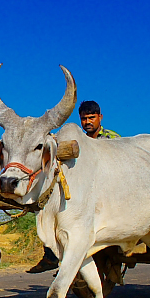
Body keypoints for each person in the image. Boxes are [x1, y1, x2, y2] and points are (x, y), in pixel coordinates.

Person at [26, 100, 120, 274]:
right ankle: (52, 254)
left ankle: (65, 260)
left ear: (100, 117)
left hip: (108, 193)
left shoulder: (112, 139)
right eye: (84, 119)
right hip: (81, 192)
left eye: (92, 118)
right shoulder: (76, 140)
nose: (88, 122)